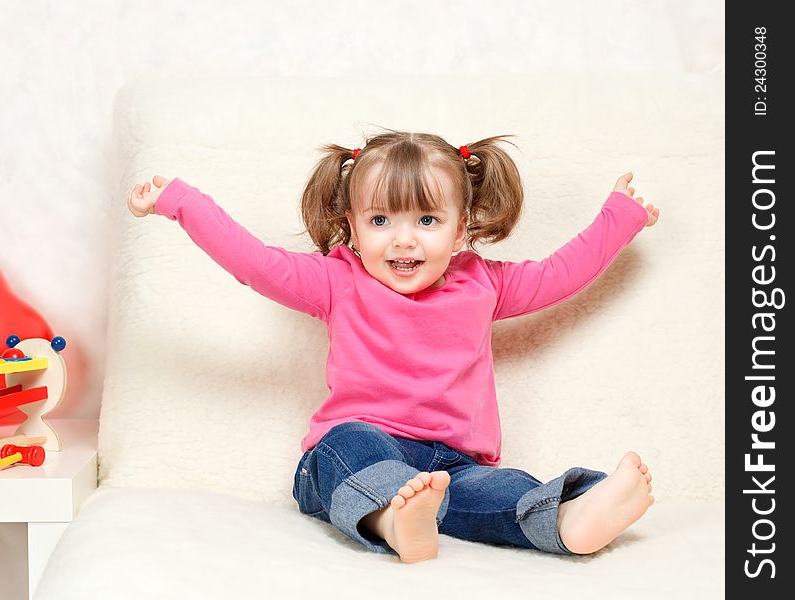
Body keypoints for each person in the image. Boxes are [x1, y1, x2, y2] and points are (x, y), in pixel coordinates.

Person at [127, 130, 659, 564]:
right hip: (357, 447)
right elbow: (254, 263)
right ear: (352, 230)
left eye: (427, 221)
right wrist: (181, 203)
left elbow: (561, 274)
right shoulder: (338, 280)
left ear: (460, 233)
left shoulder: (483, 285)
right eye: (381, 221)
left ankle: (568, 518)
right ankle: (390, 519)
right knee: (351, 445)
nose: (403, 240)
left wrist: (620, 217)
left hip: (455, 466)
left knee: (498, 491)